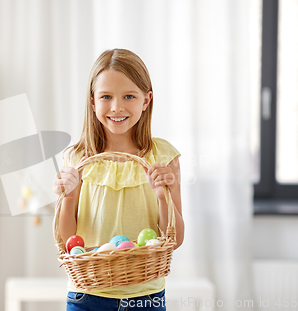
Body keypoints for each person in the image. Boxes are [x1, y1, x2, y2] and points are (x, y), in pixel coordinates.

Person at [52, 48, 185, 311]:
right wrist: (68, 198)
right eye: (106, 97)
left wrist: (162, 196)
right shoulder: (77, 158)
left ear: (146, 100)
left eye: (129, 96)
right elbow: (66, 243)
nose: (117, 107)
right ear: (92, 101)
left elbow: (176, 239)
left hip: (146, 297)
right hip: (86, 296)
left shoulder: (163, 157)